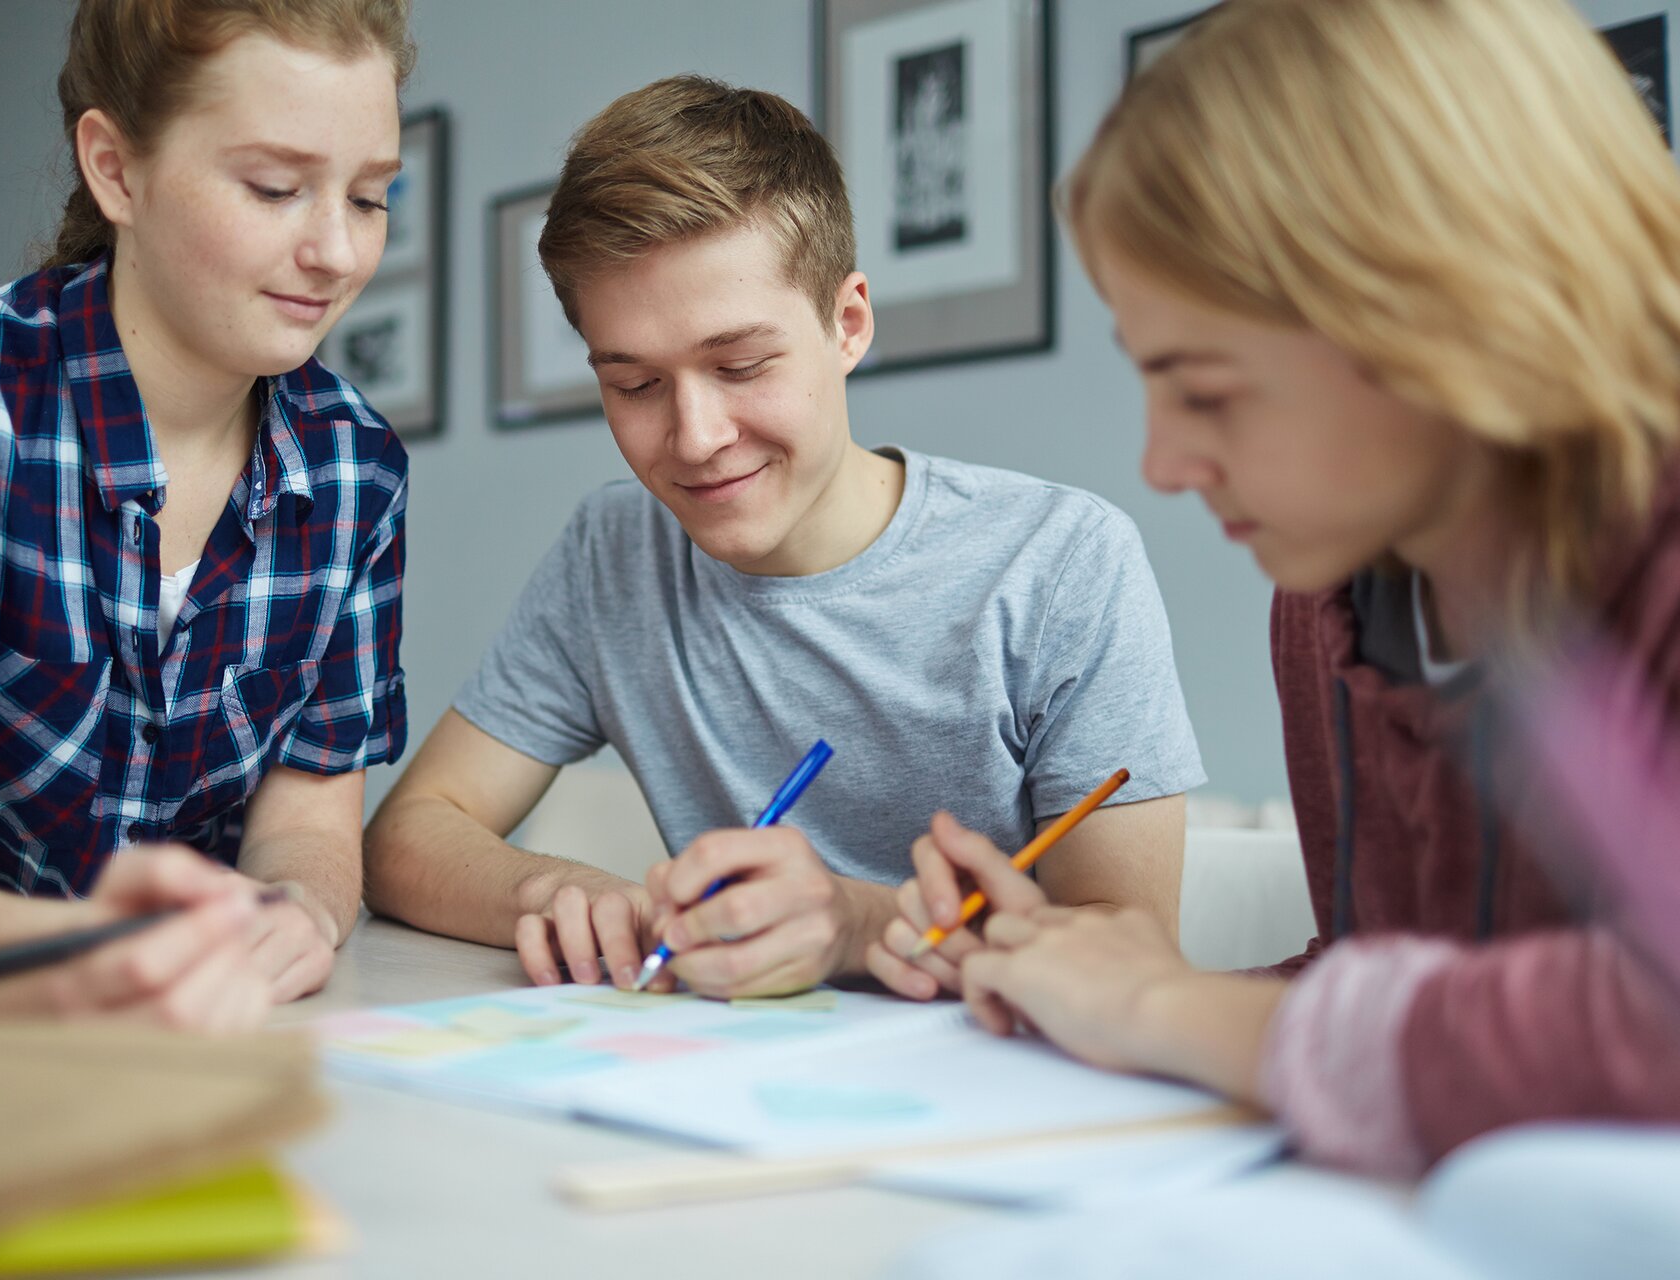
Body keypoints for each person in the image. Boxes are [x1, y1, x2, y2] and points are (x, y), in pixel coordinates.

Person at [938, 0, 1680, 1174]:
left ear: (1447, 313)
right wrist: (1108, 986)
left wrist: (1173, 1012)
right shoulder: (1334, 599)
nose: (1162, 464)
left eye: (1209, 389)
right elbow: (1402, 984)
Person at [363, 75, 1204, 999]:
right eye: (634, 385)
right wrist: (556, 887)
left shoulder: (1060, 561)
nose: (695, 437)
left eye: (741, 365)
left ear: (847, 325)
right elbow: (410, 833)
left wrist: (855, 925)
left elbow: (1131, 949)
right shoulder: (614, 551)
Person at [0, 0, 415, 1027]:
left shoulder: (357, 469)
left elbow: (310, 832)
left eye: (373, 197)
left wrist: (297, 912)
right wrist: (105, 962)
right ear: (115, 168)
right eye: (277, 187)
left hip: (213, 1046)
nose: (336, 251)